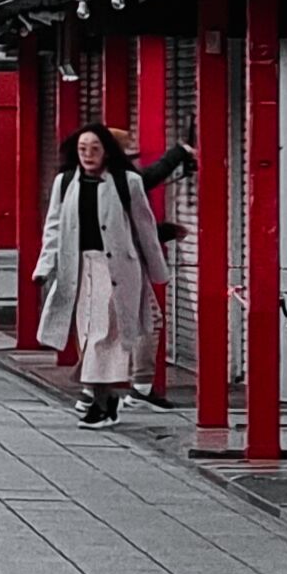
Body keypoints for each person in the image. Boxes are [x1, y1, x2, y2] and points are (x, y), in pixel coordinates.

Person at [30, 123, 171, 428]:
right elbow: (53, 227)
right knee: (87, 333)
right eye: (83, 149)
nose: (88, 155)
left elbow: (145, 229)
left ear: (107, 151)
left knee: (104, 332)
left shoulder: (127, 182)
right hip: (79, 268)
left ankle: (98, 400)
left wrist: (158, 272)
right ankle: (104, 398)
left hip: (118, 269)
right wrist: (44, 268)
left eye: (95, 149)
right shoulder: (65, 182)